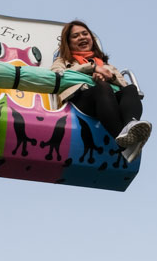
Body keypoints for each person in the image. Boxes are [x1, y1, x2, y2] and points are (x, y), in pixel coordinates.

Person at [50, 21, 151, 162]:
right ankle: (123, 142)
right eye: (75, 36)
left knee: (130, 89)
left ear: (91, 38)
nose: (82, 37)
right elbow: (57, 75)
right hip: (80, 100)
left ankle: (130, 126)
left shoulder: (106, 65)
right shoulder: (62, 61)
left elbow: (123, 83)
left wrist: (110, 76)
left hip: (106, 99)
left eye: (85, 34)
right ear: (68, 42)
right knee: (101, 87)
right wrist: (91, 68)